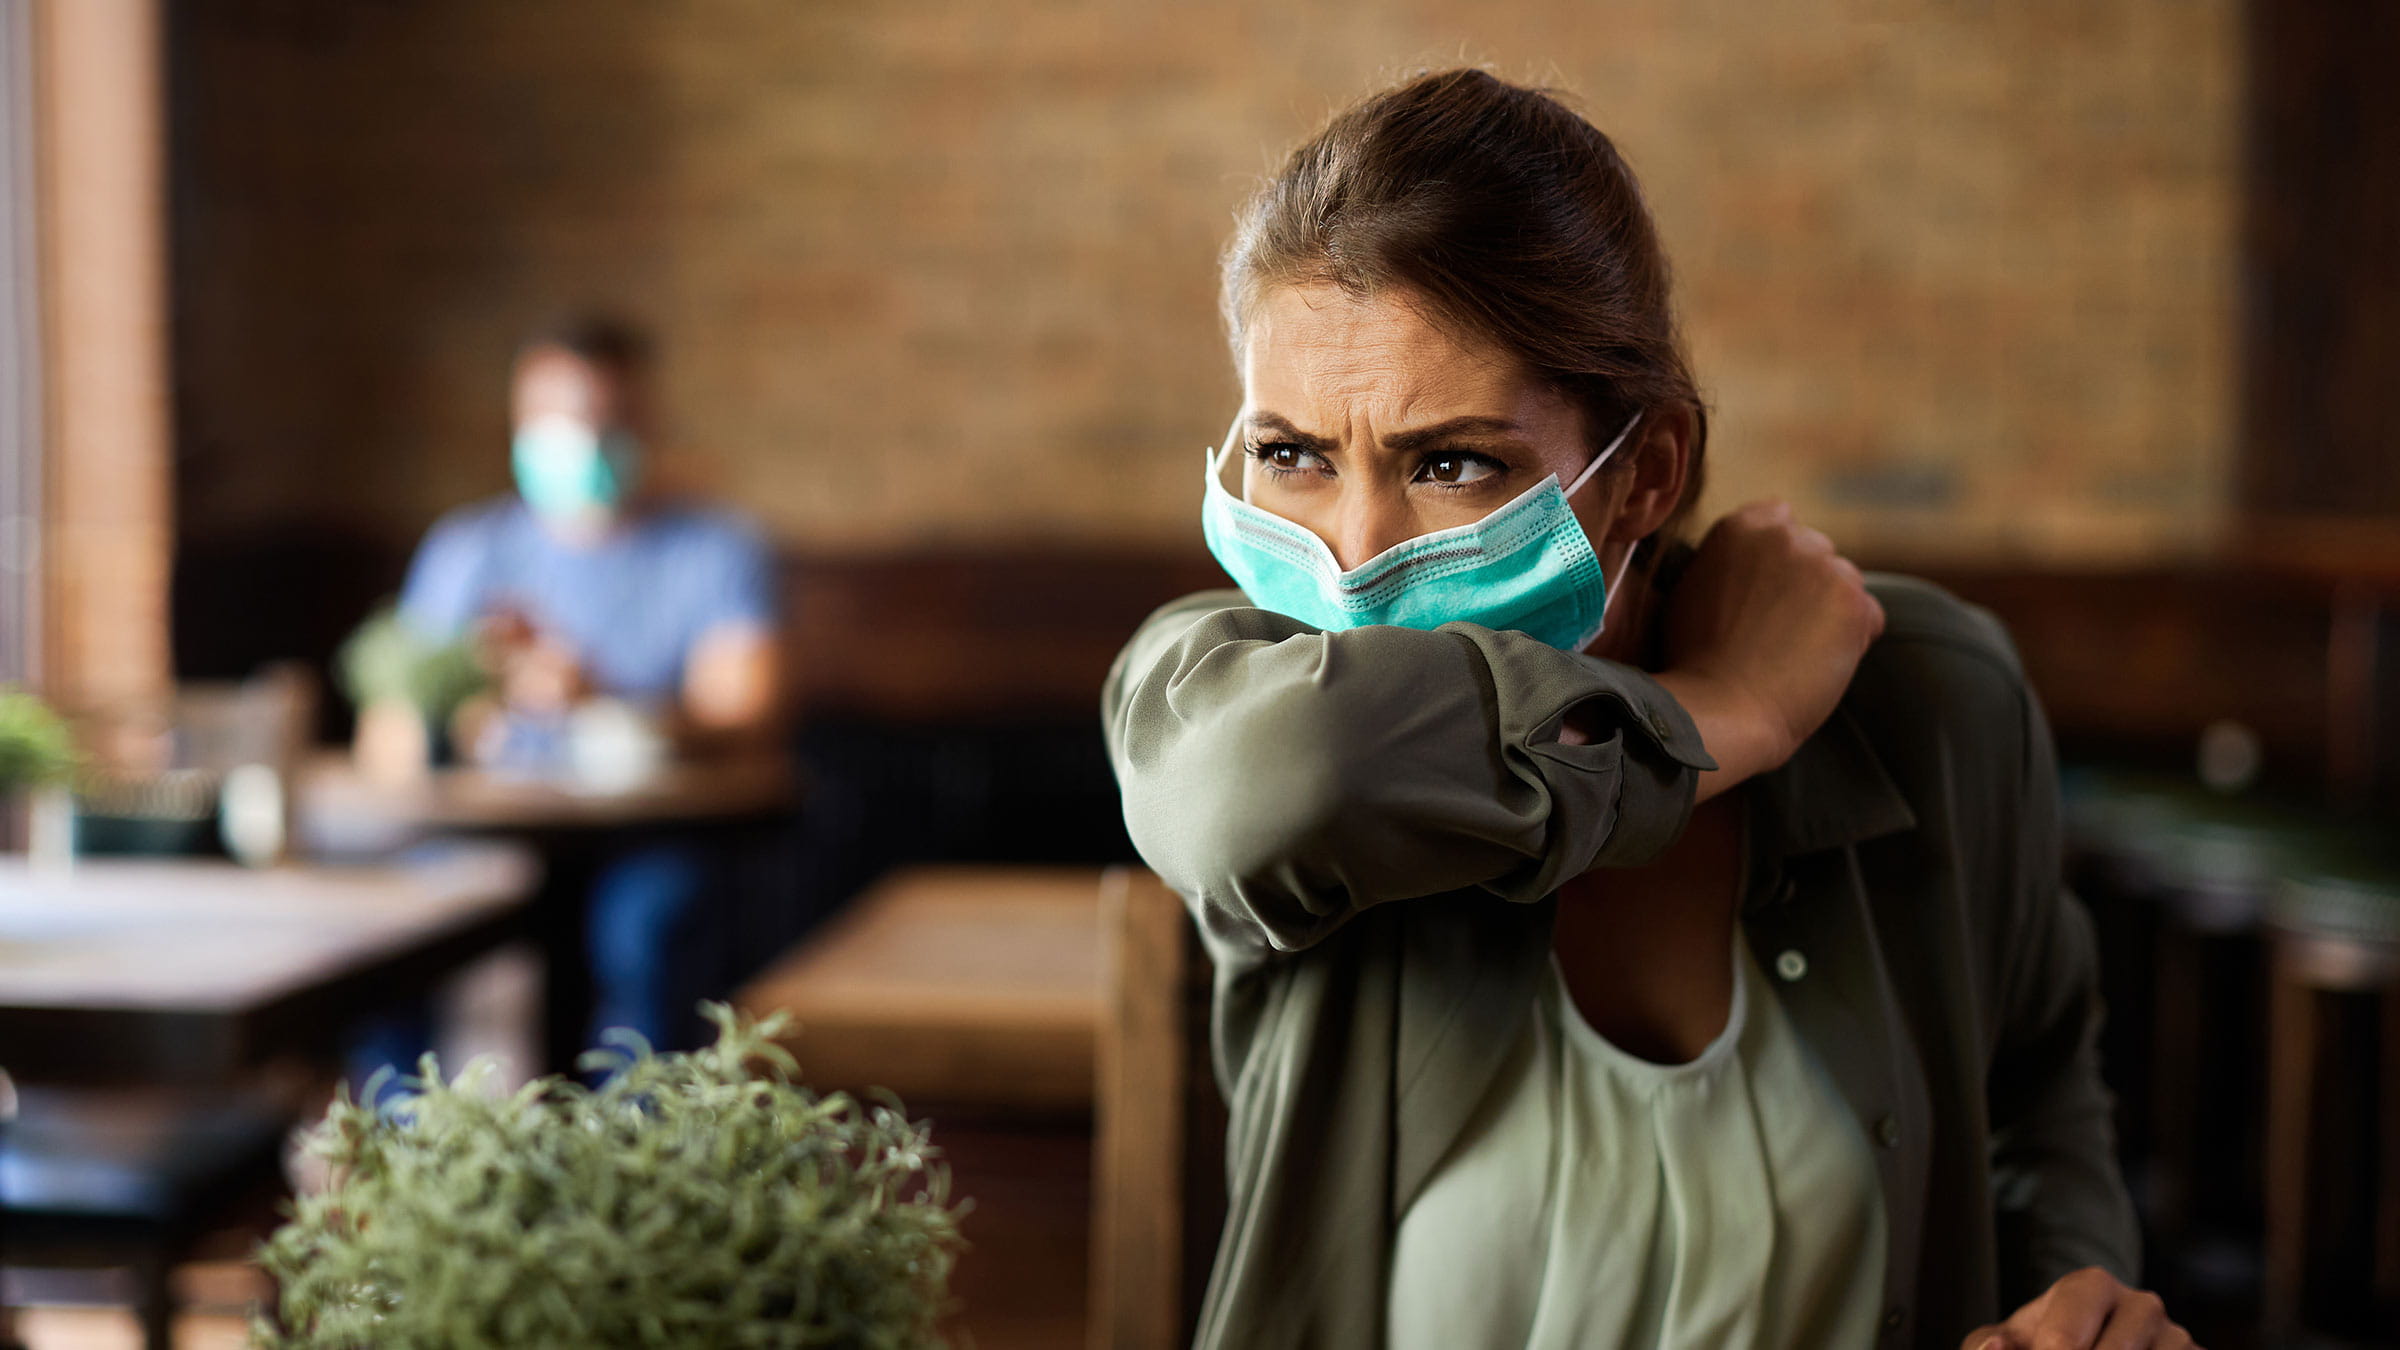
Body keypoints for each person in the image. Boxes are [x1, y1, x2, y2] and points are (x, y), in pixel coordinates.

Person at [1103, 71, 2192, 1350]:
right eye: (1294, 456)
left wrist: (2075, 1299)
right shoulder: (1227, 685)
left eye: (1451, 463)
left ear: (1647, 474)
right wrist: (1723, 715)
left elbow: (2036, 1097)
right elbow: (1283, 782)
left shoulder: (1926, 699)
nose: (1350, 557)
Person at [387, 313, 781, 1053]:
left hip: (653, 835)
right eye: (563, 419)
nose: (588, 440)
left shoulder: (715, 550)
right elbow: (393, 734)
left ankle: (635, 1155)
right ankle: (411, 1146)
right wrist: (469, 703)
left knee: (652, 927)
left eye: (611, 418)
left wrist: (600, 701)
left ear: (651, 423)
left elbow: (746, 715)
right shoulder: (468, 552)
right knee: (393, 938)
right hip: (485, 837)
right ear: (520, 424)